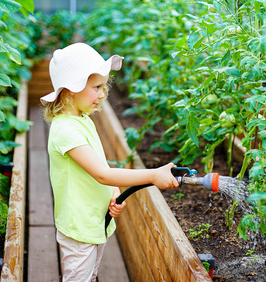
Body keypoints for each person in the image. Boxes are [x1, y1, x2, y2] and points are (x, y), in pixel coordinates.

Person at [40, 42, 179, 282]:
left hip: (96, 221)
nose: (103, 94)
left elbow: (99, 165)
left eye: (103, 87)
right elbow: (102, 173)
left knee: (90, 275)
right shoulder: (65, 130)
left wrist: (113, 190)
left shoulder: (82, 119)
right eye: (96, 87)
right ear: (72, 88)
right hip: (79, 228)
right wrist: (153, 175)